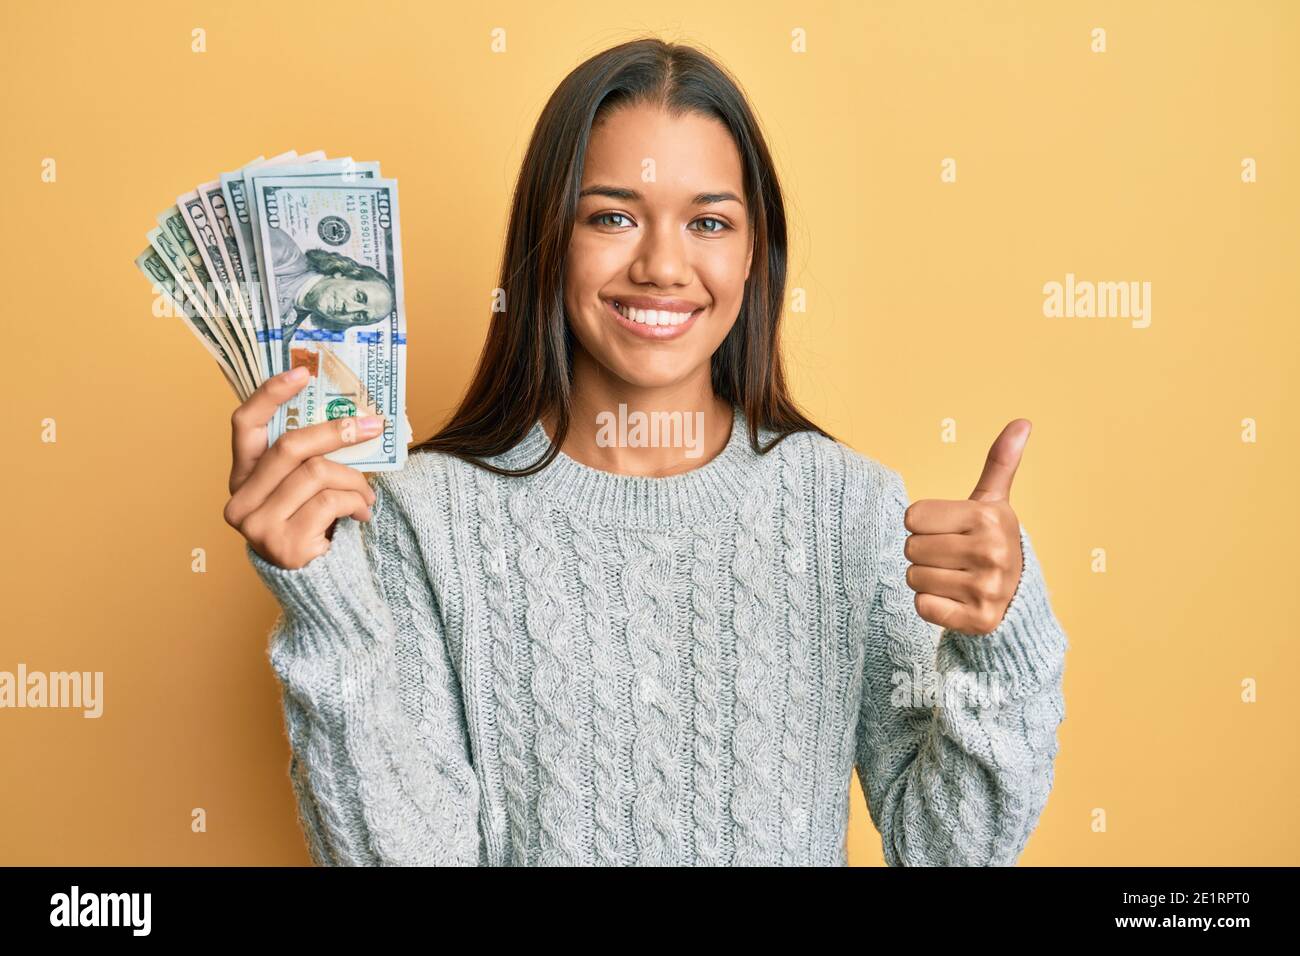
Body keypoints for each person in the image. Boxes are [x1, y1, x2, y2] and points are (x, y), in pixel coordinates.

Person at [224, 37, 1069, 866]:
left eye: (709, 221)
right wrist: (327, 610)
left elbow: (947, 851)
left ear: (753, 255)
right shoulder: (425, 515)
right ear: (548, 240)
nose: (664, 265)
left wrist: (1003, 637)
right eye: (613, 216)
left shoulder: (847, 509)